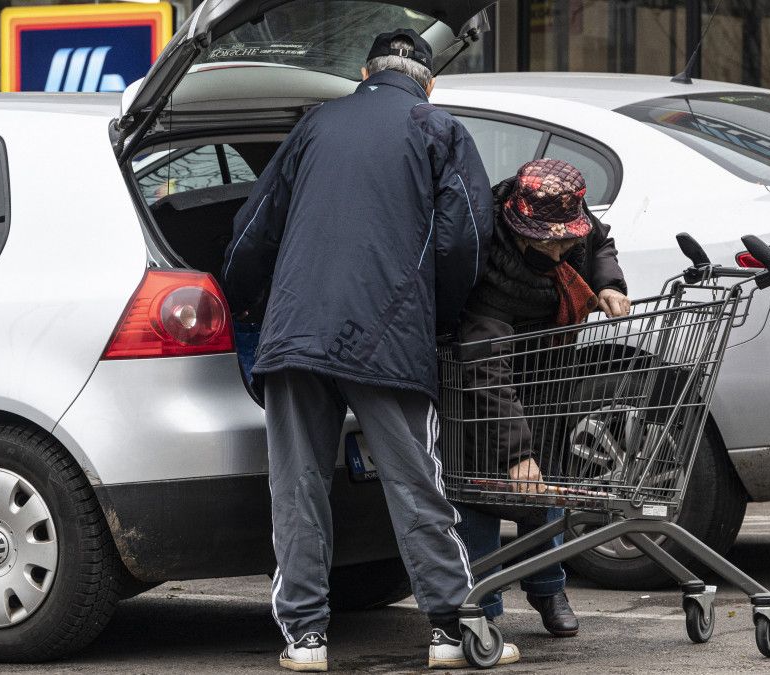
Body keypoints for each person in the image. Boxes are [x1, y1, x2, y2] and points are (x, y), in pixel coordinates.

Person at [223, 29, 516, 672]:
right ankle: (448, 628)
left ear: (363, 72)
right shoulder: (439, 131)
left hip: (295, 331)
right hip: (387, 334)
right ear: (428, 81)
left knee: (298, 488)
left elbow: (254, 227)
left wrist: (244, 302)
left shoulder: (314, 125)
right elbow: (464, 239)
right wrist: (437, 318)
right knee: (415, 483)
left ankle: (305, 639)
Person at [453, 158, 630, 638]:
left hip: (547, 377)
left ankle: (549, 587)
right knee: (484, 492)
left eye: (566, 238)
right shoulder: (487, 259)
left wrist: (608, 283)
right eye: (550, 241)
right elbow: (485, 368)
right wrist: (516, 452)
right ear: (521, 228)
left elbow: (599, 240)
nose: (561, 249)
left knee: (543, 485)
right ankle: (482, 609)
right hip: (485, 393)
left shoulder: (571, 224)